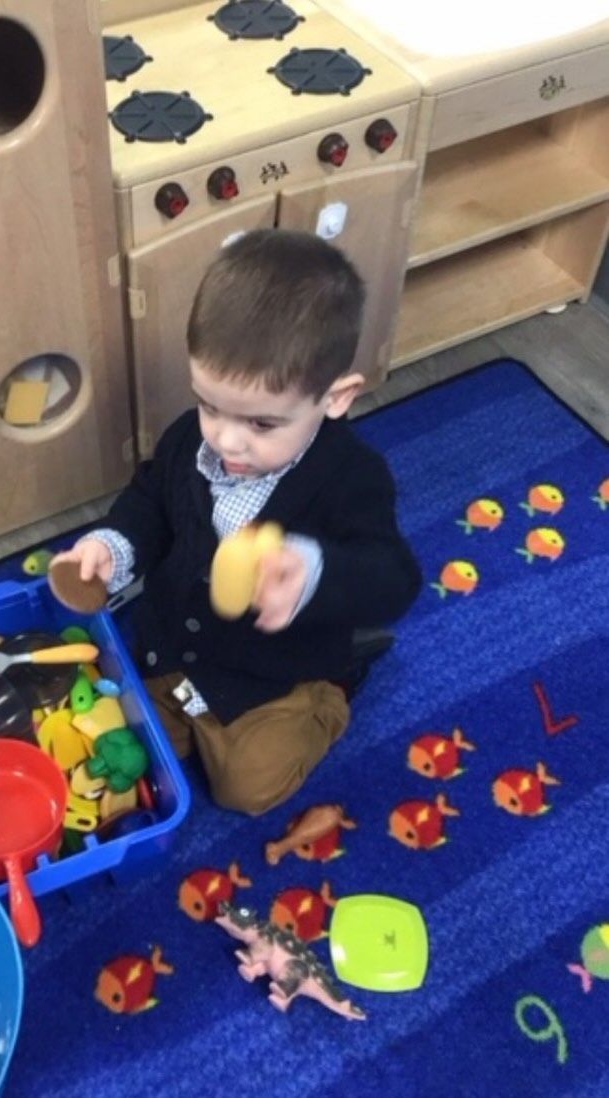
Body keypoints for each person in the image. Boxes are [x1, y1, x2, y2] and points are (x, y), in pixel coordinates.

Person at [51, 229, 421, 815]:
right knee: (127, 755)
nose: (226, 438)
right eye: (209, 405)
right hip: (171, 646)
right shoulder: (189, 441)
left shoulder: (352, 475)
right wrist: (113, 546)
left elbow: (395, 578)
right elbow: (151, 500)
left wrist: (314, 574)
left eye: (263, 425)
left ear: (336, 398)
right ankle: (184, 712)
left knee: (245, 790)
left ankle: (335, 690)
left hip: (274, 674)